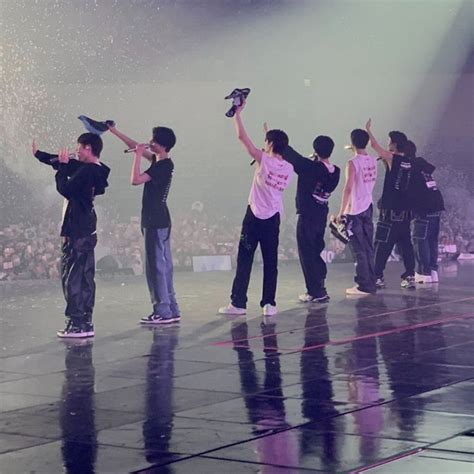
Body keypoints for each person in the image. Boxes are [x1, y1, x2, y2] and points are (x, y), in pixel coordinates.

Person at [218, 99, 294, 317]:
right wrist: (270, 138)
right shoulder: (289, 168)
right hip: (273, 219)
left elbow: (242, 138)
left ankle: (238, 303)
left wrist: (238, 113)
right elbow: (277, 156)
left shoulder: (263, 160)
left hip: (254, 217)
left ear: (269, 144)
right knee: (271, 262)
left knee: (245, 259)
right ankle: (269, 304)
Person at [33, 133, 110, 338]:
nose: (76, 152)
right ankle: (85, 321)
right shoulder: (98, 170)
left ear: (88, 148)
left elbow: (65, 188)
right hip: (87, 228)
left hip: (76, 230)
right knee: (85, 277)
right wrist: (40, 155)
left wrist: (61, 172)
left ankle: (75, 323)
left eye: (79, 148)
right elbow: (66, 164)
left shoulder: (86, 172)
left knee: (72, 277)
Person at [108, 124, 180, 324]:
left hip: (155, 220)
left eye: (154, 140)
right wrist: (115, 131)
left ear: (162, 145)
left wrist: (138, 156)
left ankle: (162, 310)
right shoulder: (162, 162)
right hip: (160, 219)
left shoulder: (162, 167)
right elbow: (134, 143)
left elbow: (135, 180)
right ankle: (172, 308)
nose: (151, 142)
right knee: (164, 266)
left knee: (155, 266)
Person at [281, 135, 340, 302]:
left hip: (308, 216)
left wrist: (275, 138)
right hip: (321, 215)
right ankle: (320, 286)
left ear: (315, 149)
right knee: (316, 251)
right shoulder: (336, 171)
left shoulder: (310, 167)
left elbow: (292, 156)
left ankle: (315, 291)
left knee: (307, 253)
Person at [365, 119, 415, 289]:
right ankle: (410, 275)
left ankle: (377, 276)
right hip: (406, 213)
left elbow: (373, 145)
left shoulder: (392, 158)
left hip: (391, 213)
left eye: (388, 142)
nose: (387, 145)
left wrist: (368, 130)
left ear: (394, 144)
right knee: (407, 246)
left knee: (382, 245)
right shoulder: (409, 161)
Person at [335, 128, 377, 295]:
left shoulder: (353, 163)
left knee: (358, 248)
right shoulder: (373, 160)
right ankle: (371, 280)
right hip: (368, 206)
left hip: (355, 210)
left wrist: (341, 212)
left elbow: (348, 188)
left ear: (352, 143)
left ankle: (363, 285)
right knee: (368, 247)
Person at [405, 140, 444, 284]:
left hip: (424, 207)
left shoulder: (409, 167)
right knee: (431, 239)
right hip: (436, 204)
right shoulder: (421, 164)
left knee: (420, 239)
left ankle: (423, 272)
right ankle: (433, 271)